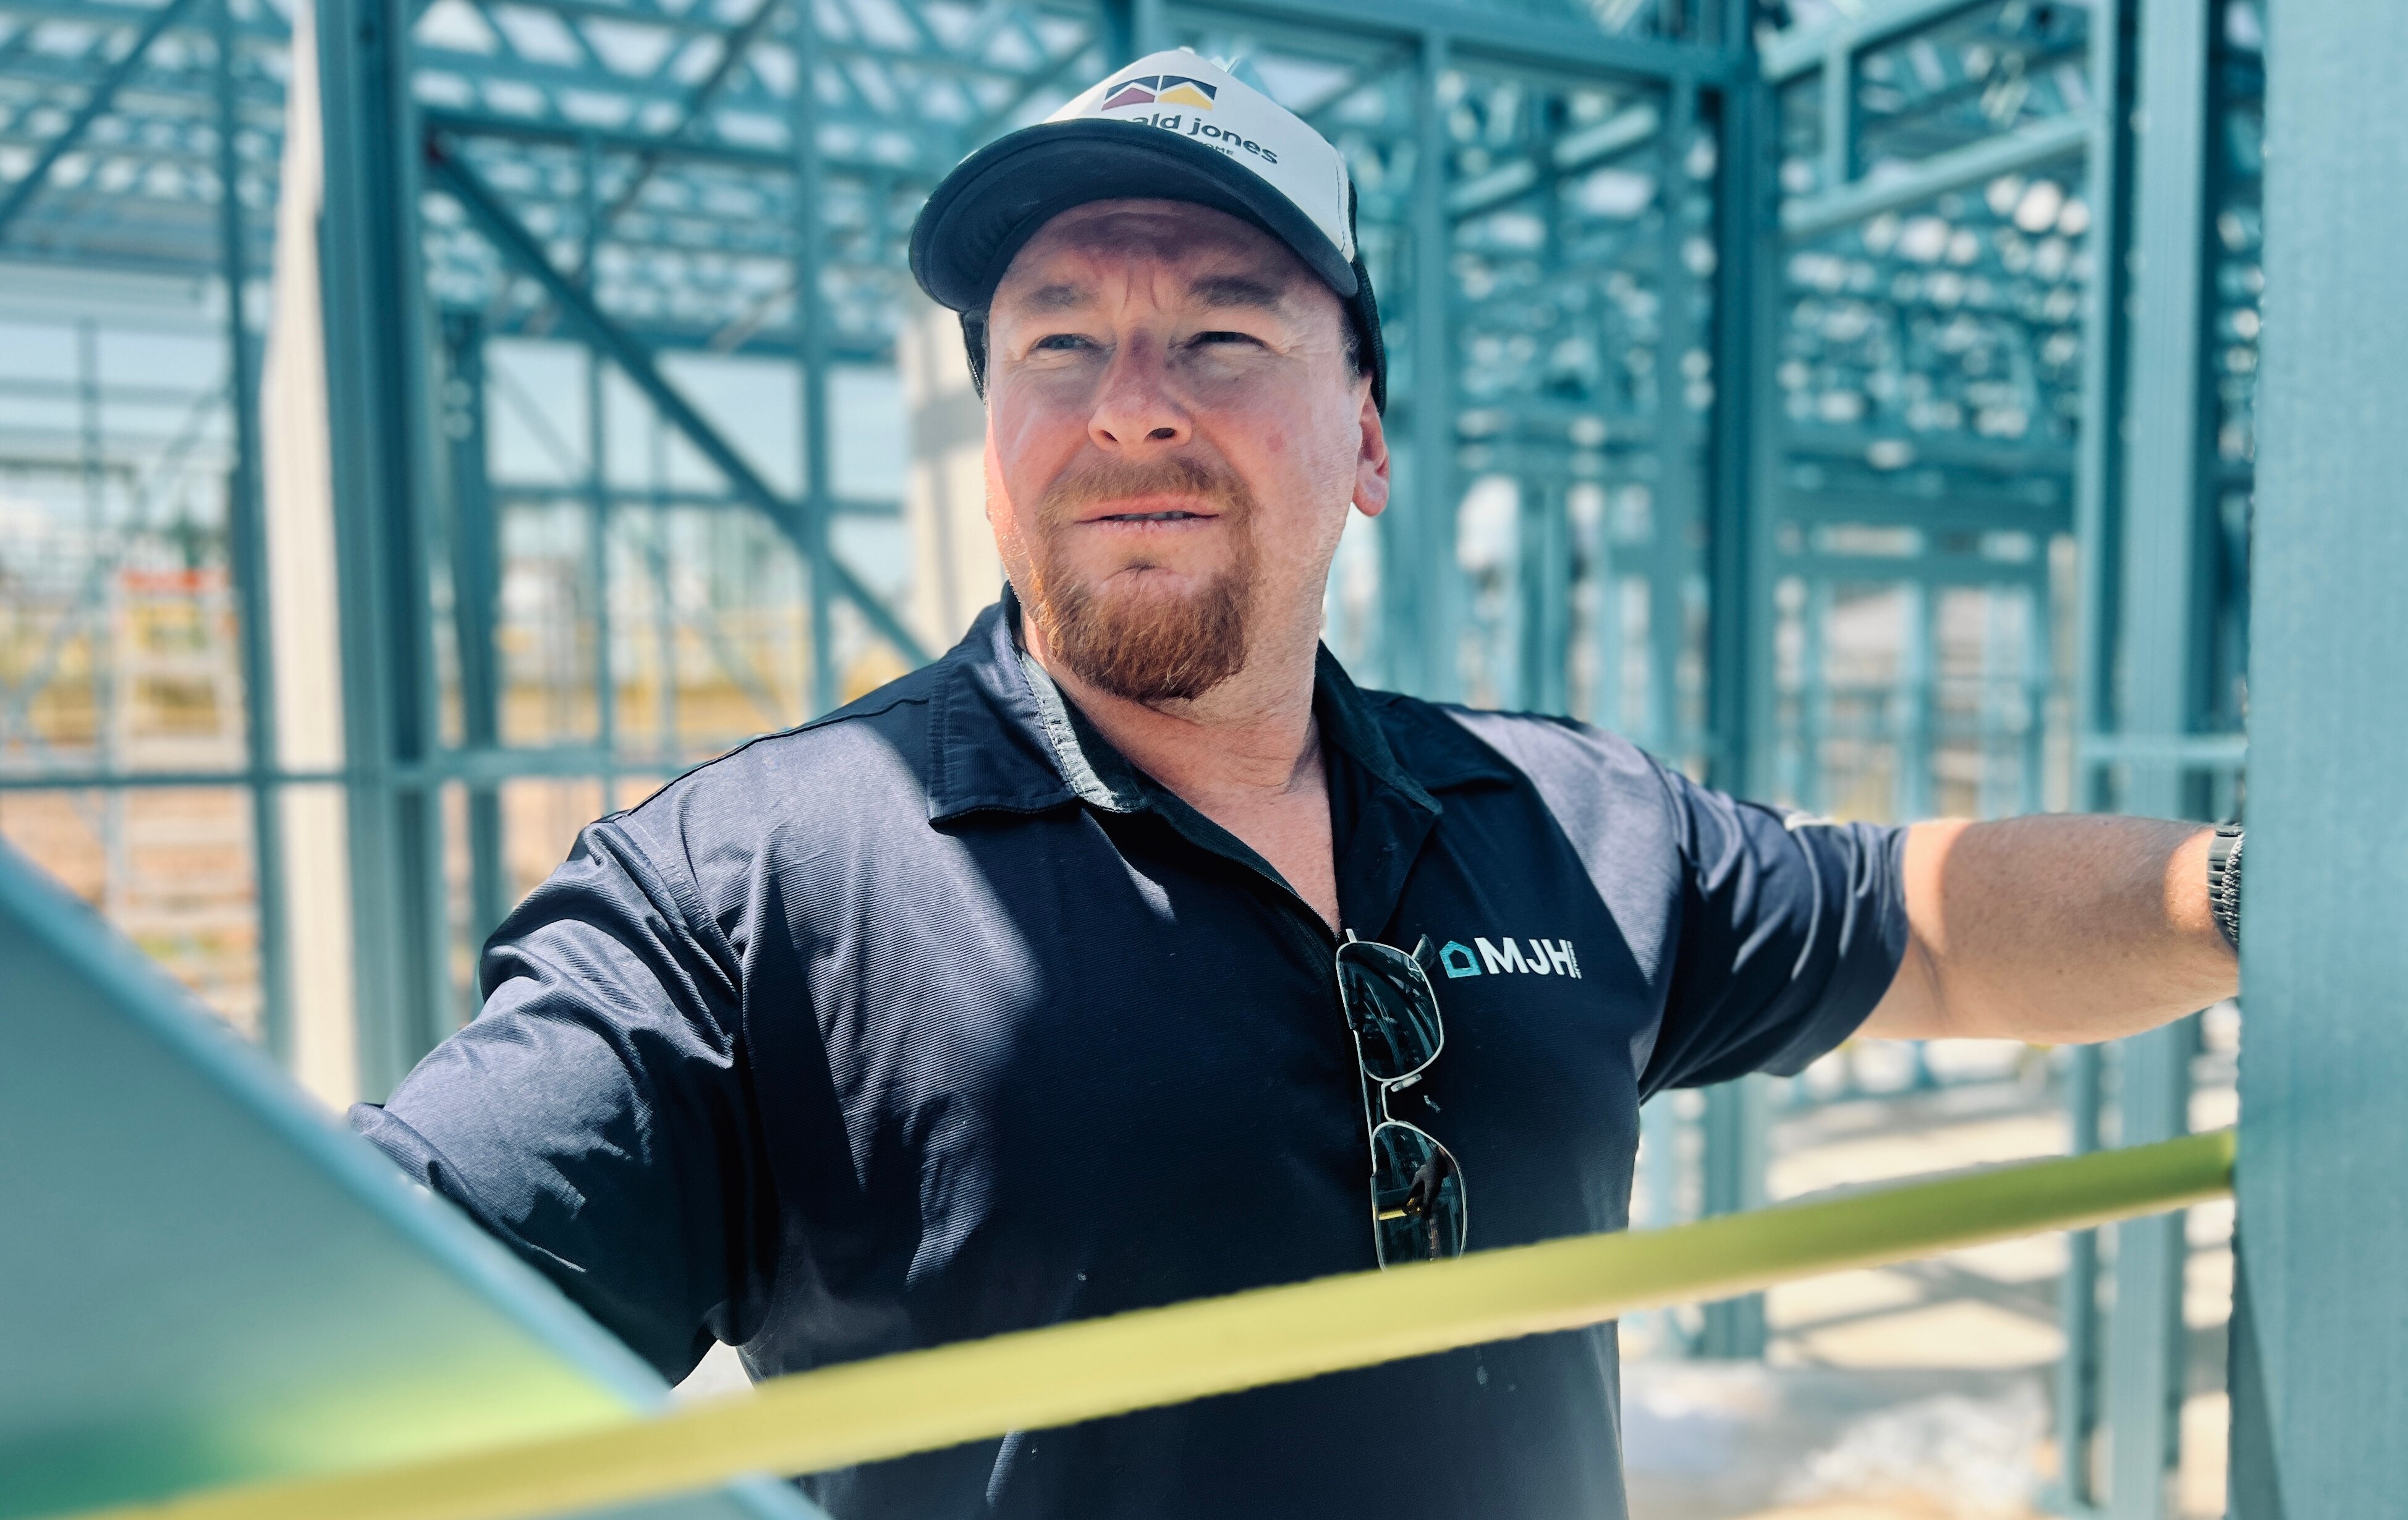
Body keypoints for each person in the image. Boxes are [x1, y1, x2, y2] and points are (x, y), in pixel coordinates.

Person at [354, 50, 2242, 1520]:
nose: (1131, 401)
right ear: (996, 450)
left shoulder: (1561, 825)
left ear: (1368, 437)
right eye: (1057, 342)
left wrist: (2260, 895)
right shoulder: (753, 886)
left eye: (1222, 333)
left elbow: (1922, 923)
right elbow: (370, 1306)